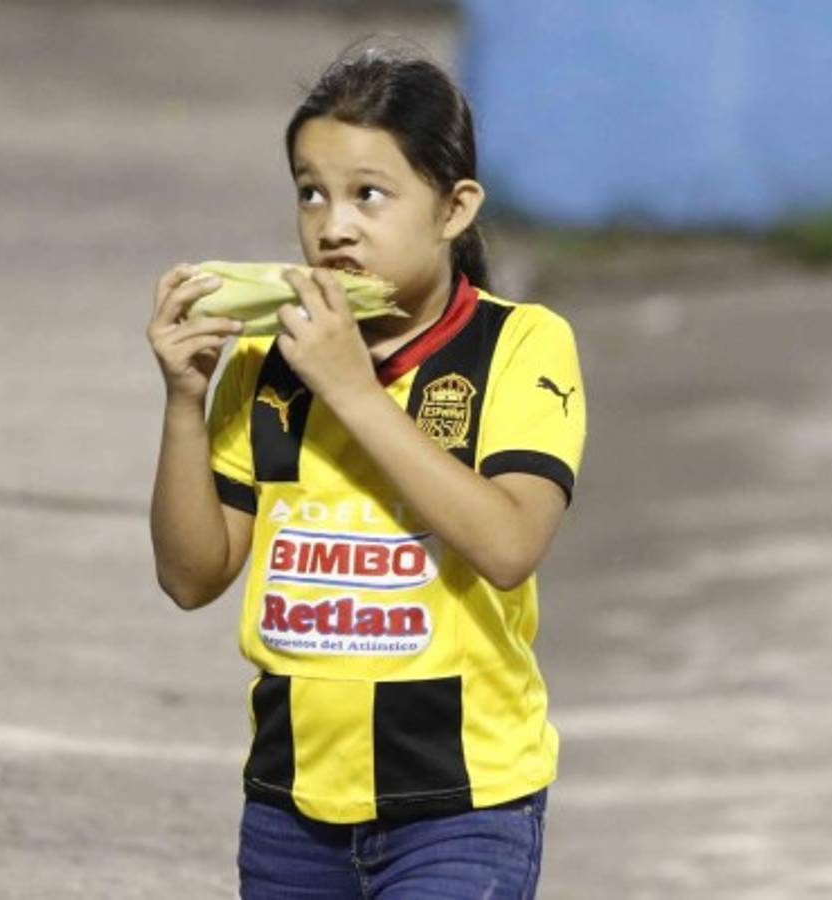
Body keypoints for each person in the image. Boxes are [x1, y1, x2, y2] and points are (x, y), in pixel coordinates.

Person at [146, 43, 586, 900]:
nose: (333, 225)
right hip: (290, 809)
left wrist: (354, 391)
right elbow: (191, 575)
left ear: (454, 208)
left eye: (368, 195)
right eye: (311, 191)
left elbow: (509, 543)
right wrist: (180, 403)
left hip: (461, 807)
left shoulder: (520, 345)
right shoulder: (268, 359)